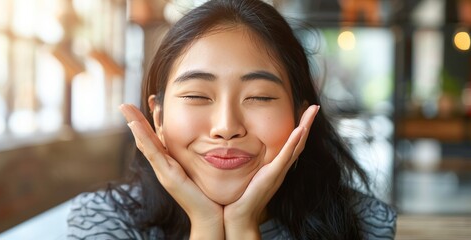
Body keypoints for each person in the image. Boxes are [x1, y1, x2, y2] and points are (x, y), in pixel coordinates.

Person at [67, 0, 396, 239]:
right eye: (197, 96)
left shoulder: (363, 224)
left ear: (300, 116)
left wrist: (243, 227)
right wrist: (207, 225)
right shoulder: (105, 220)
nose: (226, 127)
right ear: (159, 116)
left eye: (260, 97)